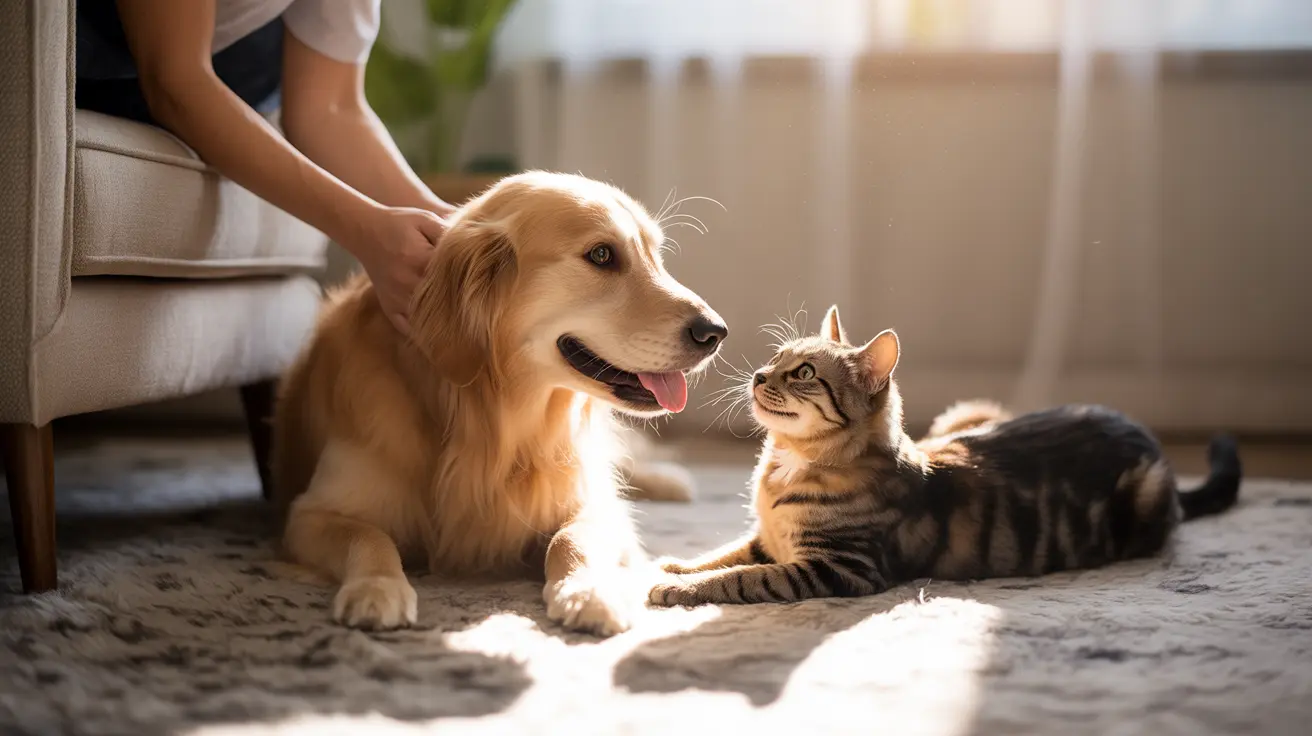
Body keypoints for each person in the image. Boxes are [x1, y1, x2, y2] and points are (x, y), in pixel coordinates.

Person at [76, 0, 453, 334]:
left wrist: (452, 228)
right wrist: (368, 231)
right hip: (96, 66)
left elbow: (330, 109)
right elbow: (176, 80)